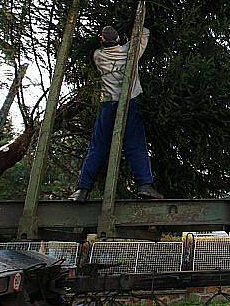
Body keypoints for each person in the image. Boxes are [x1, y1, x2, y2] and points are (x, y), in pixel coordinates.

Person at [69, 25, 163, 201]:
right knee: (136, 145)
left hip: (108, 104)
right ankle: (145, 185)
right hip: (130, 103)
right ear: (119, 39)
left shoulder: (98, 55)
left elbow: (106, 45)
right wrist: (135, 23)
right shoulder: (130, 52)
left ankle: (82, 189)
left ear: (102, 40)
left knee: (98, 146)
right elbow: (144, 34)